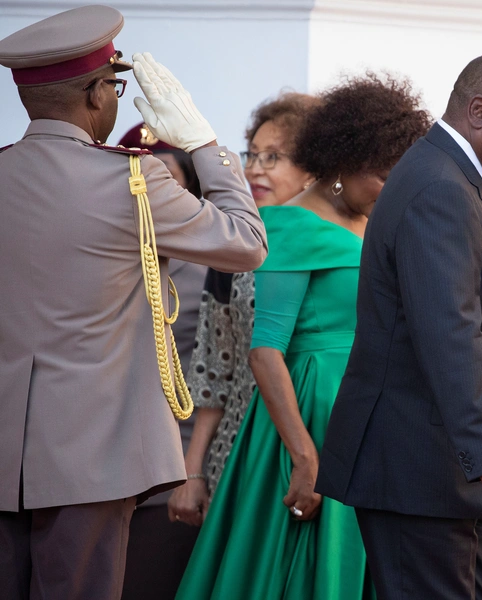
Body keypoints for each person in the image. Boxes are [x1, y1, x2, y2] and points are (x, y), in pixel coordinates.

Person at [0, 6, 267, 600]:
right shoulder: (133, 182)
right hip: (94, 459)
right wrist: (204, 144)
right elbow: (247, 243)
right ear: (97, 94)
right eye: (114, 88)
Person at [316, 52, 482, 600]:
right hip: (427, 475)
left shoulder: (456, 179)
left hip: (454, 480)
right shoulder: (440, 187)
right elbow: (448, 331)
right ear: (479, 110)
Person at [176, 72, 431, 600]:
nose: (393, 189)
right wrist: (307, 458)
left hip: (367, 415)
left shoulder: (370, 219)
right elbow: (265, 351)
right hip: (311, 416)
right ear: (346, 161)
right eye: (385, 176)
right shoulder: (290, 226)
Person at [168, 92, 319, 527]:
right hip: (241, 443)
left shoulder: (340, 248)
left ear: (313, 168)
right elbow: (216, 369)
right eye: (251, 154)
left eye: (273, 157)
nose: (254, 168)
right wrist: (192, 470)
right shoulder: (233, 248)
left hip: (317, 437)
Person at [114, 123, 208, 600]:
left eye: (162, 177)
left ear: (189, 184)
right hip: (103, 469)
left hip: (176, 470)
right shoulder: (103, 256)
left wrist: (196, 473)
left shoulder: (219, 262)